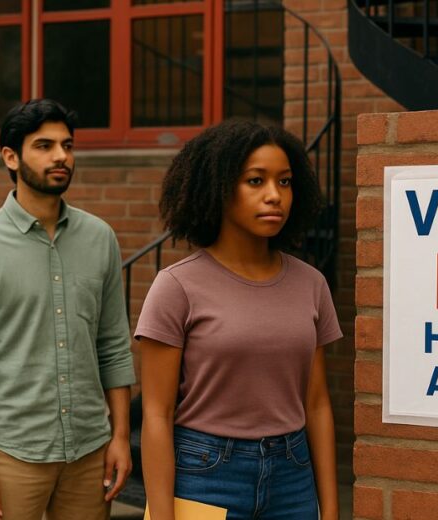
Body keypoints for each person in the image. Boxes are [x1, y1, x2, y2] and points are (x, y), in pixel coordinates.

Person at [0, 99, 135, 520]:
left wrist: (120, 436)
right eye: (44, 145)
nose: (61, 156)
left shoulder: (100, 238)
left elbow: (114, 347)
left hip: (89, 450)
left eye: (67, 145)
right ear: (11, 157)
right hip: (10, 453)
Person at [137, 120, 343, 520]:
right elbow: (156, 415)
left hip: (292, 476)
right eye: (255, 181)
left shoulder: (311, 284)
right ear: (218, 187)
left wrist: (330, 509)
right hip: (206, 473)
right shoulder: (177, 286)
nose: (274, 196)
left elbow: (316, 404)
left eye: (284, 182)